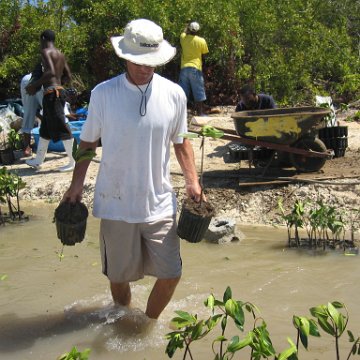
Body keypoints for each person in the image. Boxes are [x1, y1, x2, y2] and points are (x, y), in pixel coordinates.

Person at [62, 19, 203, 320]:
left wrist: (192, 181)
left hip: (160, 202)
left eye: (151, 62)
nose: (145, 68)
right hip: (115, 203)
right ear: (125, 56)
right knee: (118, 277)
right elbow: (87, 142)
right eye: (139, 61)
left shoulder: (175, 93)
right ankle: (125, 318)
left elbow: (181, 142)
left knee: (171, 274)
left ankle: (146, 323)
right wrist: (76, 185)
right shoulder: (103, 94)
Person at [25, 29, 75, 172]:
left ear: (43, 38)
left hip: (52, 95)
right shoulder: (60, 54)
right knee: (45, 129)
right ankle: (38, 160)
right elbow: (68, 75)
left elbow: (50, 73)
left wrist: (34, 85)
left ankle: (74, 161)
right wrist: (59, 86)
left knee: (62, 127)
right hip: (57, 93)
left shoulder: (45, 52)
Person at [179, 21, 209, 116]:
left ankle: (181, 114)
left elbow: (184, 32)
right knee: (198, 91)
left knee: (183, 93)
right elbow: (204, 55)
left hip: (184, 68)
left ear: (189, 29)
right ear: (198, 30)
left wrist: (186, 26)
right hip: (195, 68)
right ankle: (200, 113)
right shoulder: (201, 41)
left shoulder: (183, 38)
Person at [20, 71, 43, 156]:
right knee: (48, 109)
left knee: (28, 111)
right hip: (41, 79)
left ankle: (27, 147)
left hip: (26, 79)